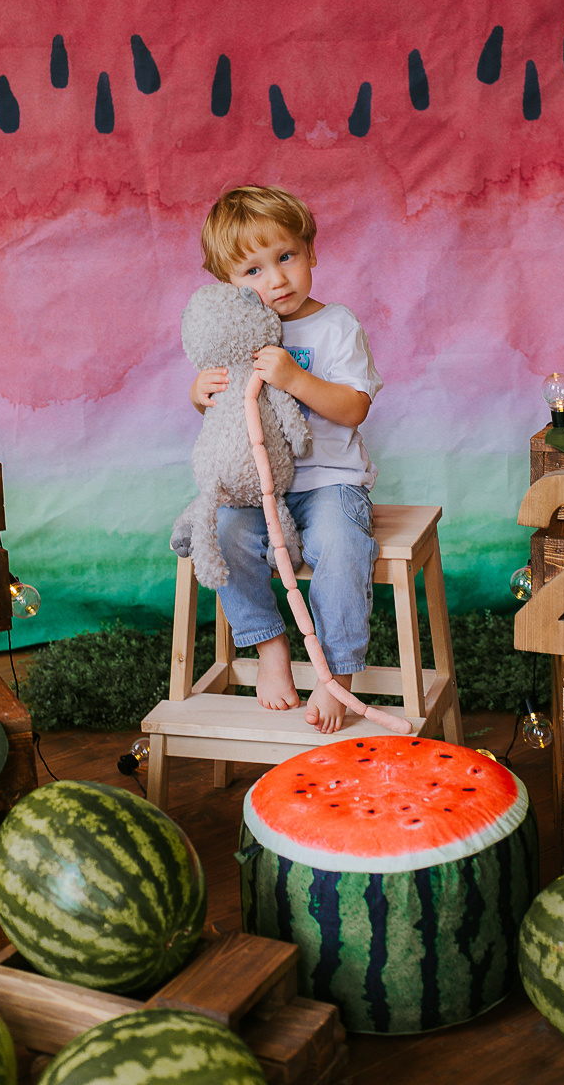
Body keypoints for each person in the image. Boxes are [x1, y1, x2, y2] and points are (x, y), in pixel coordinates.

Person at [189, 185, 383, 733]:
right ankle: (269, 645)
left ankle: (336, 673)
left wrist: (295, 379)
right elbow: (226, 411)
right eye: (253, 271)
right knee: (223, 534)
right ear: (227, 283)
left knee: (341, 548)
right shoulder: (236, 332)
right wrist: (199, 394)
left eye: (286, 257)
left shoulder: (336, 325)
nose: (276, 280)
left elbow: (355, 408)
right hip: (257, 488)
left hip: (329, 484)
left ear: (311, 252)